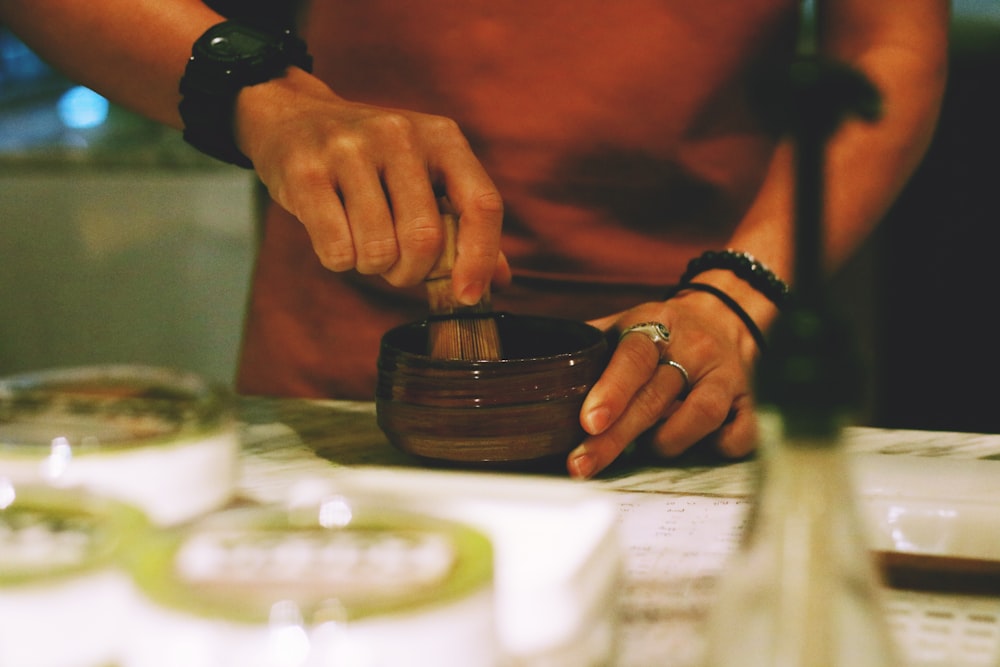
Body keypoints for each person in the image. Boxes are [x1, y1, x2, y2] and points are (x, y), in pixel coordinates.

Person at [1, 1, 948, 478]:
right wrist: (262, 95)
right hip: (341, 372)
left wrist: (744, 291)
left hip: (687, 375)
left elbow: (886, 43)